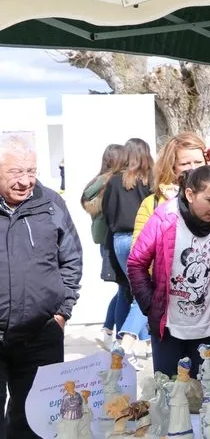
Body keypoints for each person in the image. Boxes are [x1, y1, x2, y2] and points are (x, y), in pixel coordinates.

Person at [0, 137, 82, 439]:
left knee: (34, 416)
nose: (25, 180)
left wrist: (62, 312)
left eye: (30, 171)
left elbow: (72, 259)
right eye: (15, 172)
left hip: (41, 332)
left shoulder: (50, 204)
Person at [127, 166, 210, 377]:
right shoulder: (164, 219)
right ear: (189, 194)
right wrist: (151, 305)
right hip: (170, 327)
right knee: (170, 392)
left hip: (209, 326)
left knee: (205, 395)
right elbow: (136, 263)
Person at [133, 132, 210, 294]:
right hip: (179, 297)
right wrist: (154, 297)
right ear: (172, 166)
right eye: (185, 163)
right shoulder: (155, 204)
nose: (193, 168)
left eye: (198, 162)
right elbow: (139, 258)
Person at [103, 138, 154, 368]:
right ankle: (126, 343)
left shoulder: (114, 181)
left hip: (118, 240)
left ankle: (137, 341)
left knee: (127, 288)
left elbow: (107, 213)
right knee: (145, 291)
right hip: (140, 238)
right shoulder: (149, 181)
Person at [80, 144, 124, 349]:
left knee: (124, 289)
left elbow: (86, 200)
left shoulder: (97, 182)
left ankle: (108, 329)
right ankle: (116, 334)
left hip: (107, 242)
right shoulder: (111, 182)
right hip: (112, 241)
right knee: (125, 289)